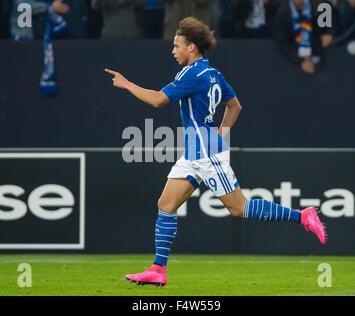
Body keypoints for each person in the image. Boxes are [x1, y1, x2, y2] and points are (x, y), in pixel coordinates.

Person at [105, 17, 326, 287]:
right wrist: (220, 134)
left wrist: (127, 84)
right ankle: (158, 269)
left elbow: (158, 100)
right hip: (195, 154)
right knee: (166, 205)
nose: (173, 51)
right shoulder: (214, 74)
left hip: (206, 154)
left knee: (238, 208)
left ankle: (303, 216)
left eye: (177, 46)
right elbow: (235, 107)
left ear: (192, 48)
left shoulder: (190, 74)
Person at [274, 0, 334, 74]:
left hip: (324, 57)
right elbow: (283, 42)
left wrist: (330, 33)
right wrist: (300, 61)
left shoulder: (320, 5)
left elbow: (334, 20)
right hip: (296, 61)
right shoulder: (283, 12)